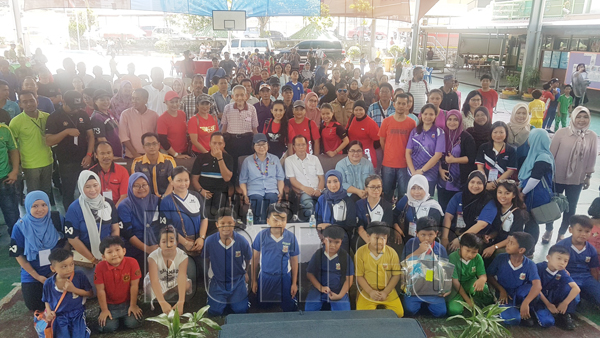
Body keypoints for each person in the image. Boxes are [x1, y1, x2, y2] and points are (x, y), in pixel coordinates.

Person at [546, 107, 596, 243]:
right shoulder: (561, 133)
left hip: (577, 178)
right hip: (557, 176)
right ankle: (549, 229)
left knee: (570, 207)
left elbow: (592, 158)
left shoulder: (591, 136)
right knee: (552, 205)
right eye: (578, 117)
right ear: (573, 117)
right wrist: (548, 174)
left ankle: (561, 232)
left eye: (585, 117)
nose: (581, 120)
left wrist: (588, 176)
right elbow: (551, 155)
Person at [9, 191, 64, 312]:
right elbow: (18, 255)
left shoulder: (56, 219)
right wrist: (37, 276)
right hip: (33, 273)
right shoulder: (20, 227)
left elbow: (67, 241)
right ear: (28, 206)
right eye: (35, 206)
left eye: (44, 205)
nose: (40, 209)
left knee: (63, 303)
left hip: (56, 270)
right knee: (35, 306)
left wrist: (60, 267)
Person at [65, 170, 121, 287]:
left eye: (95, 185)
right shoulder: (74, 208)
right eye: (88, 187)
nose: (93, 190)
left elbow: (115, 229)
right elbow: (72, 239)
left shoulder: (108, 204)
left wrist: (111, 252)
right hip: (86, 256)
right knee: (92, 290)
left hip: (108, 253)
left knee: (115, 285)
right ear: (81, 187)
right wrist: (93, 259)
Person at [45, 90, 95, 210]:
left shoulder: (82, 114)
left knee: (89, 189)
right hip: (66, 161)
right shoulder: (54, 117)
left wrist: (89, 154)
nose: (75, 110)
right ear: (63, 102)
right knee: (69, 191)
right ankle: (70, 218)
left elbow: (91, 136)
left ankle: (89, 214)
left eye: (77, 107)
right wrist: (66, 132)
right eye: (72, 107)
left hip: (84, 158)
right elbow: (49, 141)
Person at [159, 166, 208, 282]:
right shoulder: (166, 201)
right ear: (172, 181)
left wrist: (201, 238)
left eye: (186, 180)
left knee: (205, 274)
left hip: (198, 243)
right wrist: (185, 243)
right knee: (190, 276)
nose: (183, 184)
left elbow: (204, 218)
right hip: (179, 244)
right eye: (179, 180)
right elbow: (167, 227)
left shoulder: (196, 196)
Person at [203, 207, 252, 315]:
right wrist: (210, 273)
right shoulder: (209, 241)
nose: (226, 226)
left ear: (234, 223)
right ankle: (222, 300)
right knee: (214, 311)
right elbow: (206, 258)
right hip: (218, 281)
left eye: (229, 223)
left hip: (237, 280)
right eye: (222, 223)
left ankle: (235, 298)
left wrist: (245, 272)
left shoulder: (242, 241)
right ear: (217, 225)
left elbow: (248, 258)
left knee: (241, 310)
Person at [251, 203, 299, 312]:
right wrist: (254, 281)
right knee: (262, 307)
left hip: (284, 277)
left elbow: (294, 261)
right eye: (276, 220)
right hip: (266, 277)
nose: (279, 223)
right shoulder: (261, 236)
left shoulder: (291, 237)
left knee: (289, 307)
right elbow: (255, 259)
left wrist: (294, 283)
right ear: (268, 221)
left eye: (283, 220)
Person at [486, 232, 541, 326]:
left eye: (511, 243)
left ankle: (523, 309)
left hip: (518, 293)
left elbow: (537, 285)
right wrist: (501, 290)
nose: (507, 244)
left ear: (521, 250)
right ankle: (514, 312)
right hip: (503, 293)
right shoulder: (500, 258)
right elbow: (489, 276)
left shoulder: (530, 264)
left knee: (533, 291)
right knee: (513, 320)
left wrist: (526, 302)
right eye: (508, 241)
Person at [401, 217, 449, 318]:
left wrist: (446, 288)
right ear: (416, 233)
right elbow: (404, 263)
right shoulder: (411, 243)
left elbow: (446, 270)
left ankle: (426, 305)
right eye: (423, 235)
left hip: (432, 288)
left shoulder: (440, 248)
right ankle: (420, 304)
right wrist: (419, 251)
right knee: (409, 310)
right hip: (414, 287)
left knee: (441, 313)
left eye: (430, 235)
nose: (427, 238)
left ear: (436, 233)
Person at [10, 91, 54, 199]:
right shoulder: (15, 122)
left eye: (31, 100)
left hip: (48, 161)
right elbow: (12, 146)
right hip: (30, 165)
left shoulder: (47, 117)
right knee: (34, 196)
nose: (29, 104)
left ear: (37, 101)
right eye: (25, 102)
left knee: (47, 193)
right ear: (20, 104)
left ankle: (46, 216)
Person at [94, 236, 143, 333]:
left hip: (127, 303)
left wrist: (133, 305)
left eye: (117, 250)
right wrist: (104, 310)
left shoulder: (132, 262)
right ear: (103, 256)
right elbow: (100, 290)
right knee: (108, 328)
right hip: (110, 305)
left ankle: (123, 319)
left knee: (133, 323)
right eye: (109, 252)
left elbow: (134, 286)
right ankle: (115, 320)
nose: (114, 254)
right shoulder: (100, 267)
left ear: (124, 251)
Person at [441, 170, 498, 252]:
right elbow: (448, 217)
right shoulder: (458, 196)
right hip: (456, 233)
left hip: (476, 237)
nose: (475, 186)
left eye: (479, 183)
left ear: (484, 184)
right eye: (472, 182)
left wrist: (461, 239)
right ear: (468, 182)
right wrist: (444, 238)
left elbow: (481, 224)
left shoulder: (489, 201)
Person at [42, 249, 94, 337]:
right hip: (59, 316)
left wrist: (73, 289)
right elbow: (46, 300)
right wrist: (49, 312)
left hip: (77, 314)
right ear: (53, 268)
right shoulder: (48, 283)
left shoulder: (79, 275)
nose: (69, 269)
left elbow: (90, 293)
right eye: (64, 266)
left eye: (72, 264)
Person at [355, 223, 403, 317]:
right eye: (376, 238)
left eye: (384, 238)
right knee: (362, 315)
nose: (380, 241)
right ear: (368, 237)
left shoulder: (392, 253)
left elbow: (396, 275)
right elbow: (359, 276)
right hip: (368, 290)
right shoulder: (360, 252)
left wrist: (385, 292)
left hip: (388, 290)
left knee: (399, 313)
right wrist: (370, 291)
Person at [118, 173, 160, 277]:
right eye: (136, 185)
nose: (141, 188)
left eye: (144, 185)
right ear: (130, 187)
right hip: (134, 247)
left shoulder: (156, 201)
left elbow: (163, 225)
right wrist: (147, 249)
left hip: (156, 243)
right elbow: (127, 233)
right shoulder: (124, 205)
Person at [482, 180, 537, 259]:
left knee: (498, 254)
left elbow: (513, 238)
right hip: (498, 241)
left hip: (512, 244)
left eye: (507, 193)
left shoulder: (519, 214)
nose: (502, 196)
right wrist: (490, 236)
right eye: (500, 192)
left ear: (514, 195)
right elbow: (498, 230)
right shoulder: (496, 208)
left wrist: (494, 247)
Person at [305, 226, 354, 311]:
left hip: (338, 290)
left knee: (344, 315)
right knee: (309, 311)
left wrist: (340, 295)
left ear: (341, 242)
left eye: (337, 242)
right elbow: (310, 274)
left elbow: (349, 279)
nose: (332, 245)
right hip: (318, 289)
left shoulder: (344, 257)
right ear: (324, 240)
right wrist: (320, 288)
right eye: (329, 241)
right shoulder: (318, 254)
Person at [144, 225, 191, 315]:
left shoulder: (183, 256)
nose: (168, 245)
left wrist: (181, 302)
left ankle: (176, 301)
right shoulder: (153, 257)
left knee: (186, 285)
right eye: (164, 241)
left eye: (171, 241)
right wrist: (162, 303)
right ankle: (160, 303)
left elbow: (181, 277)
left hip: (174, 279)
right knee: (152, 290)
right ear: (159, 244)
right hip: (158, 281)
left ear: (177, 243)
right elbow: (154, 280)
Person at [555, 215, 600, 309]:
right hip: (568, 277)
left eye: (587, 231)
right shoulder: (561, 246)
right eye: (579, 230)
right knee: (572, 298)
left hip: (586, 277)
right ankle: (566, 315)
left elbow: (593, 270)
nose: (583, 234)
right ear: (570, 229)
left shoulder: (591, 249)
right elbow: (554, 267)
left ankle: (584, 294)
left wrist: (595, 286)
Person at [240, 134, 285, 224]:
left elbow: (280, 178)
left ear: (268, 145)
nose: (261, 147)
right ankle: (258, 225)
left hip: (271, 189)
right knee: (257, 199)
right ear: (253, 147)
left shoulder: (275, 159)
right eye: (258, 145)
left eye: (264, 144)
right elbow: (242, 180)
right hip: (254, 190)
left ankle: (271, 224)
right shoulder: (247, 161)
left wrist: (280, 192)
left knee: (271, 198)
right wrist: (245, 195)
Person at [379, 93, 416, 202]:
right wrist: (388, 152)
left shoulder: (411, 123)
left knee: (403, 193)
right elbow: (382, 140)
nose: (401, 106)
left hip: (404, 164)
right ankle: (388, 216)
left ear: (407, 105)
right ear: (394, 104)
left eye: (403, 103)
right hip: (388, 163)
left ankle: (400, 217)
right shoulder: (386, 121)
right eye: (398, 103)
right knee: (386, 192)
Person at [534, 245, 580, 330]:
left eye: (565, 261)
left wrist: (564, 303)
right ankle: (533, 311)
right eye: (559, 259)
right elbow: (535, 288)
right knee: (547, 322)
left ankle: (564, 314)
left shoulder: (562, 272)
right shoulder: (538, 268)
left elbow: (576, 288)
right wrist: (548, 304)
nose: (562, 263)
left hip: (551, 296)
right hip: (538, 298)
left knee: (570, 290)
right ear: (548, 258)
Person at [438, 110, 476, 211]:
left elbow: (471, 158)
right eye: (449, 119)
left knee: (457, 207)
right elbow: (436, 155)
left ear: (460, 121)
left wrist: (454, 160)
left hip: (460, 180)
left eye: (455, 120)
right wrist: (440, 170)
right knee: (442, 206)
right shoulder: (442, 135)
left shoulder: (466, 137)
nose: (452, 122)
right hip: (443, 178)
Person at [446, 233, 493, 316]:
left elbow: (482, 275)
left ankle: (483, 304)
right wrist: (467, 300)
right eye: (467, 250)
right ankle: (467, 300)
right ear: (460, 246)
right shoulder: (452, 257)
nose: (470, 255)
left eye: (474, 252)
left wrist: (482, 280)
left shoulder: (478, 258)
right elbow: (455, 282)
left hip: (470, 282)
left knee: (484, 288)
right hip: (456, 287)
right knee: (454, 311)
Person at [191, 132, 233, 221]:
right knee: (204, 211)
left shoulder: (228, 158)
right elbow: (194, 179)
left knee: (220, 210)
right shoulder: (201, 158)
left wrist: (219, 158)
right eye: (214, 143)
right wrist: (201, 190)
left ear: (224, 145)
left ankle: (218, 229)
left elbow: (227, 178)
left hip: (221, 191)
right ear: (209, 144)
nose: (217, 146)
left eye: (220, 143)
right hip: (204, 190)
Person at [406, 104, 445, 195]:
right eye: (425, 114)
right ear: (421, 115)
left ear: (435, 116)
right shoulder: (414, 131)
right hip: (412, 173)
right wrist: (413, 172)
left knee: (426, 202)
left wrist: (422, 171)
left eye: (431, 114)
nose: (428, 117)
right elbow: (408, 152)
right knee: (411, 199)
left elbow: (438, 155)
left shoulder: (439, 132)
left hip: (429, 175)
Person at [222, 85, 259, 178]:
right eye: (237, 95)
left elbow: (254, 129)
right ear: (232, 97)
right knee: (232, 164)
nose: (239, 98)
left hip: (247, 141)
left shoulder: (252, 109)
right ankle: (233, 185)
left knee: (246, 164)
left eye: (242, 95)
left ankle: (244, 186)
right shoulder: (227, 108)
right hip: (231, 141)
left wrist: (257, 144)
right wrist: (221, 143)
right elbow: (224, 128)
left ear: (246, 96)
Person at [315, 170, 357, 250]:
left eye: (335, 181)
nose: (332, 185)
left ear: (340, 182)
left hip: (341, 236)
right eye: (329, 182)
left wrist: (330, 226)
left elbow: (350, 225)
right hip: (323, 234)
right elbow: (318, 220)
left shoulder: (348, 201)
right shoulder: (322, 199)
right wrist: (321, 235)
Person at [285, 135, 325, 221]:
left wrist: (319, 190)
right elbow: (292, 180)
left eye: (303, 144)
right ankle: (311, 227)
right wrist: (305, 189)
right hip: (303, 191)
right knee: (308, 204)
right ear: (294, 147)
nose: (301, 147)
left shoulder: (314, 159)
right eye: (298, 145)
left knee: (327, 202)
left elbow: (321, 177)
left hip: (318, 190)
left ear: (307, 145)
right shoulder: (289, 160)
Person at [394, 175, 443, 242]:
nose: (417, 192)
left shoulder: (433, 207)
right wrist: (396, 228)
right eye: (413, 188)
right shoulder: (406, 200)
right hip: (406, 240)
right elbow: (394, 215)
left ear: (425, 188)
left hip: (426, 242)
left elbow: (433, 231)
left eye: (420, 188)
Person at [132, 133, 177, 198]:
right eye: (148, 144)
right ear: (143, 147)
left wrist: (164, 198)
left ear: (159, 145)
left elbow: (173, 182)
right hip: (145, 198)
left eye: (154, 144)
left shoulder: (169, 160)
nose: (151, 147)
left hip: (166, 196)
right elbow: (136, 184)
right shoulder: (137, 162)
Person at [476, 121, 517, 191]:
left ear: (506, 133)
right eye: (495, 132)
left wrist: (496, 183)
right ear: (491, 133)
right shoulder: (484, 147)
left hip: (504, 185)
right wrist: (485, 183)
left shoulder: (511, 150)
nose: (498, 135)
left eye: (501, 132)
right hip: (486, 184)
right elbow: (480, 167)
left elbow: (510, 171)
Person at [119, 88, 158, 158]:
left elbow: (157, 136)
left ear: (145, 100)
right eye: (133, 98)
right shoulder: (125, 114)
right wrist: (135, 154)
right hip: (131, 156)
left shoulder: (154, 115)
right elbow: (124, 137)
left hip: (150, 155)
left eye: (137, 99)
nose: (134, 101)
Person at [89, 141, 129, 206]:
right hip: (97, 207)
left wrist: (114, 211)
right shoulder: (91, 172)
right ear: (96, 155)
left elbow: (124, 196)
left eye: (108, 153)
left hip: (118, 207)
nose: (106, 156)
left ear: (113, 154)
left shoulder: (122, 171)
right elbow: (89, 196)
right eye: (102, 153)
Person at [346, 102, 380, 169]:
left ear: (365, 110)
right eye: (356, 110)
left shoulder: (371, 123)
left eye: (360, 110)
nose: (358, 112)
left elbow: (378, 141)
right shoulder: (352, 118)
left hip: (366, 154)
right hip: (352, 153)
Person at [157, 91, 190, 159]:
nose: (175, 104)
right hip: (169, 153)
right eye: (171, 102)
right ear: (166, 102)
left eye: (176, 102)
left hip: (183, 151)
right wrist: (176, 155)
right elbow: (163, 140)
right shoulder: (162, 119)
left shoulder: (182, 114)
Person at [91, 89, 122, 158]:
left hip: (117, 152)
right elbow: (101, 139)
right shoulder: (97, 117)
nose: (106, 102)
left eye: (108, 99)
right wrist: (109, 155)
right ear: (95, 101)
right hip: (108, 157)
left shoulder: (108, 113)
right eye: (102, 100)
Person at [506, 103, 531, 169]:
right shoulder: (505, 128)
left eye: (524, 113)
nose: (521, 116)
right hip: (506, 164)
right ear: (513, 113)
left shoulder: (531, 130)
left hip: (523, 166)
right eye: (518, 113)